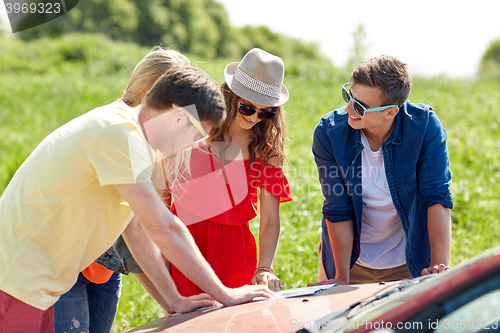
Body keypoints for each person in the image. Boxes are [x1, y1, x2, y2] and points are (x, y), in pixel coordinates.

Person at [0, 62, 274, 333]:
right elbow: (164, 227)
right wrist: (225, 294)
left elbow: (135, 227)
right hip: (18, 280)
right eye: (195, 134)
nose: (192, 145)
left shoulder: (128, 131)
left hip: (35, 283)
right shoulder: (120, 135)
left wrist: (172, 300)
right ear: (178, 117)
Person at [53, 47, 194, 333]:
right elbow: (135, 230)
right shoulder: (119, 134)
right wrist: (173, 302)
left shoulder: (157, 143)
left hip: (105, 266)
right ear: (145, 91)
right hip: (62, 259)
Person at [310, 55, 453, 286]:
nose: (348, 109)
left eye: (359, 106)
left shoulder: (424, 126)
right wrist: (340, 278)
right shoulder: (329, 132)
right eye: (349, 96)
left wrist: (438, 268)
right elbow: (337, 206)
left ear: (391, 112)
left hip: (410, 262)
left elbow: (436, 196)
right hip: (347, 261)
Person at [169, 48, 292, 296]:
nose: (256, 117)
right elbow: (161, 193)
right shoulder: (195, 129)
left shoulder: (267, 154)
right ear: (230, 96)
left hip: (235, 256)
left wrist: (264, 267)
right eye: (247, 108)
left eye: (265, 112)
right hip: (186, 250)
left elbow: (270, 219)